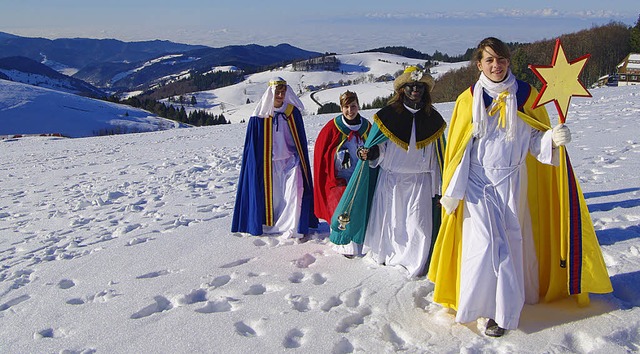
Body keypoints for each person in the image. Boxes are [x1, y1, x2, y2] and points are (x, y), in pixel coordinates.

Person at [428, 37, 612, 337]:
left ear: (508, 61)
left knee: (512, 245)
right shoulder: (469, 98)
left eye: (500, 59)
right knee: (485, 245)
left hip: (512, 182)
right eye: (489, 60)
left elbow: (532, 141)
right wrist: (453, 191)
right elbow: (459, 150)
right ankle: (484, 310)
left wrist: (552, 139)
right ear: (479, 64)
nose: (496, 65)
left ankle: (504, 310)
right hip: (477, 184)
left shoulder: (527, 95)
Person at [329, 66, 446, 277]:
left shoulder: (433, 119)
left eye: (419, 86)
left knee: (417, 225)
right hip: (391, 181)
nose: (415, 90)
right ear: (402, 89)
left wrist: (440, 186)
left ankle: (415, 263)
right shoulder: (387, 116)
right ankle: (389, 258)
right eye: (410, 86)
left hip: (421, 183)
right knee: (392, 224)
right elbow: (379, 148)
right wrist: (372, 153)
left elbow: (439, 156)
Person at [231, 77, 318, 238]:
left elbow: (300, 140)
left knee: (295, 192)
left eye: (283, 92)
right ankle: (273, 224)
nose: (280, 95)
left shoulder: (292, 113)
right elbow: (253, 146)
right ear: (271, 93)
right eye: (277, 92)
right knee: (276, 198)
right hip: (268, 165)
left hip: (291, 161)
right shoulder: (260, 116)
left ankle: (293, 226)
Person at [313, 91, 372, 257]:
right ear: (341, 108)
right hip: (340, 179)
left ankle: (361, 240)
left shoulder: (366, 127)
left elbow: (376, 148)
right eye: (346, 107)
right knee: (342, 210)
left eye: (353, 106)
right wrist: (338, 157)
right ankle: (343, 243)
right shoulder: (332, 128)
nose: (350, 110)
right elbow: (322, 155)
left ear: (358, 106)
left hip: (360, 176)